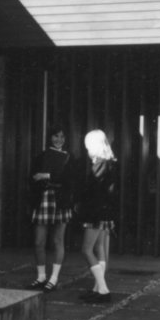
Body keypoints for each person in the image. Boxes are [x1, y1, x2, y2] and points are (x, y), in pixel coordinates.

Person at [27, 124, 75, 291]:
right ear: (50, 137)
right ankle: (41, 277)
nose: (59, 140)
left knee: (58, 240)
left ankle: (53, 278)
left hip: (61, 201)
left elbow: (69, 180)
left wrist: (46, 175)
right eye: (55, 136)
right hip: (44, 199)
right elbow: (32, 177)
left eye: (62, 137)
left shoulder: (70, 157)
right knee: (39, 241)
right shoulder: (41, 156)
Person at [76, 129, 118, 304]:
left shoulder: (99, 164)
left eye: (88, 145)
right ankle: (97, 288)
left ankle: (103, 289)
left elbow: (94, 193)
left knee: (86, 249)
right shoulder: (109, 163)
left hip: (95, 214)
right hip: (104, 212)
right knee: (100, 248)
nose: (87, 149)